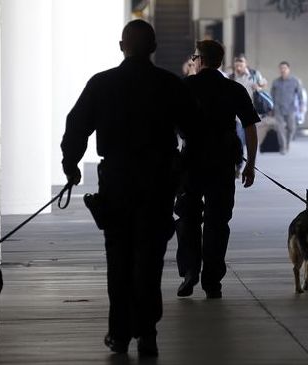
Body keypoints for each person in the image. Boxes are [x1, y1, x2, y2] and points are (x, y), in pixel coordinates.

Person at [60, 20, 197, 356]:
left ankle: (119, 334)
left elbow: (76, 126)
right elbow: (194, 132)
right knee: (149, 260)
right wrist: (180, 169)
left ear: (122, 46)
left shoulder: (102, 84)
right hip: (157, 182)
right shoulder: (169, 85)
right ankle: (147, 333)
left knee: (118, 259)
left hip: (117, 181)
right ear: (153, 48)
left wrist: (71, 165)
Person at [175, 40, 260, 299]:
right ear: (220, 61)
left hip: (191, 161)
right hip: (223, 162)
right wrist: (251, 164)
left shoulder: (186, 86)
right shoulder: (232, 88)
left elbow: (169, 123)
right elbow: (249, 127)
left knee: (188, 217)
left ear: (200, 60)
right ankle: (212, 281)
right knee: (218, 221)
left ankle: (190, 271)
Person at [270, 61, 303, 153]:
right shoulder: (275, 82)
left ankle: (288, 143)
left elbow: (300, 94)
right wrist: (271, 108)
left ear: (288, 69)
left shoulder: (295, 81)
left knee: (291, 128)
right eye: (281, 68)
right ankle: (283, 147)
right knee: (280, 128)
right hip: (278, 108)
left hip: (291, 108)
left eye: (285, 68)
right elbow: (271, 96)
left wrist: (301, 105)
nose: (283, 70)